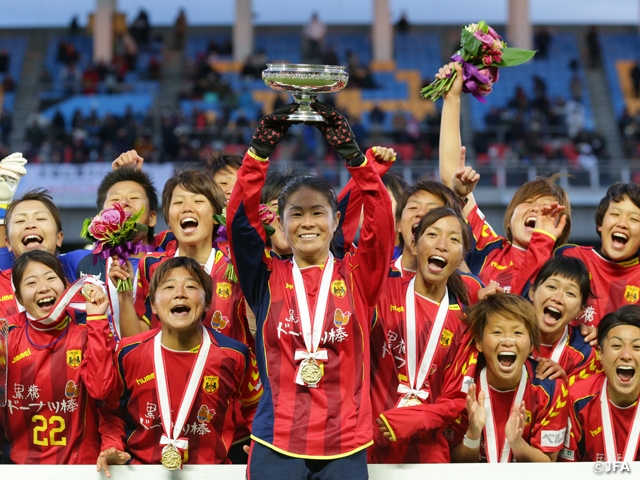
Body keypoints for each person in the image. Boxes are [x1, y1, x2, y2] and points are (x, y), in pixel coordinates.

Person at [227, 102, 394, 479]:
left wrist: (354, 156)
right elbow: (239, 220)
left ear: (336, 222)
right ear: (281, 226)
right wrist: (259, 151)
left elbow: (381, 219)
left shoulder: (358, 275)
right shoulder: (265, 277)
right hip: (276, 440)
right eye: (296, 214)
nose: (307, 222)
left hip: (346, 441)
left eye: (317, 212)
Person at [96, 257, 261, 474]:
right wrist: (111, 445)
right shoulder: (129, 353)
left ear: (207, 303)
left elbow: (257, 408)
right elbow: (112, 412)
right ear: (153, 305)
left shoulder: (234, 355)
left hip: (211, 473)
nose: (180, 293)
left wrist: (262, 445)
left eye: (191, 286)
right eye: (169, 286)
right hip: (142, 473)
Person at [438, 62, 569, 297]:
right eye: (529, 204)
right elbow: (450, 176)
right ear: (510, 217)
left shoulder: (566, 270)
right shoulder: (490, 248)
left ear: (561, 227)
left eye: (547, 211)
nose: (536, 213)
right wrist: (451, 99)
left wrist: (544, 241)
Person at [370, 207, 477, 463]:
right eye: (432, 234)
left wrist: (420, 417)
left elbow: (456, 397)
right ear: (415, 245)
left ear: (461, 256)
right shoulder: (381, 292)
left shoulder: (463, 323)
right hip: (368, 447)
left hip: (428, 455)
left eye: (453, 239)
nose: (441, 245)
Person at [0, 250, 115, 463]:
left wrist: (98, 319)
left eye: (51, 278)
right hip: (20, 469)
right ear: (19, 298)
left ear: (66, 286)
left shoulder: (88, 328)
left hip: (82, 469)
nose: (44, 288)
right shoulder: (5, 334)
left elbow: (102, 389)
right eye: (31, 283)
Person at [446, 293, 569, 462]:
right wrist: (473, 435)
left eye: (518, 332)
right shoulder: (464, 386)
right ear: (479, 342)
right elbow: (452, 462)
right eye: (497, 332)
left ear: (532, 344)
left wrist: (518, 444)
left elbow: (548, 463)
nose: (508, 341)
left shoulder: (551, 389)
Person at [75, 160, 159, 340]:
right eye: (114, 199)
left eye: (134, 197)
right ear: (100, 216)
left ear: (152, 217)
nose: (123, 203)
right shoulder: (84, 263)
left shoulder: (165, 263)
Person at [560, 305, 640, 462]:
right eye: (616, 346)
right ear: (600, 354)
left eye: (637, 347)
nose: (626, 355)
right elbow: (566, 470)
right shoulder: (577, 398)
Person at [557, 182, 640, 328]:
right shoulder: (570, 257)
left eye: (634, 219)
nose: (622, 224)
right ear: (600, 224)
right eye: (615, 214)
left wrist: (606, 336)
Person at [528, 256, 598, 381]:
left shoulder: (585, 353)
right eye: (551, 287)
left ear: (581, 310)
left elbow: (580, 398)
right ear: (532, 292)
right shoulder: (507, 335)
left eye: (570, 293)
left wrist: (561, 385)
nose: (558, 298)